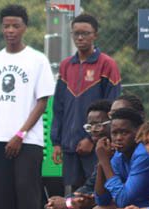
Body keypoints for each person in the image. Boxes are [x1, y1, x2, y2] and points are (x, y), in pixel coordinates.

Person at [0, 4, 54, 209]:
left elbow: (42, 102)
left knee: (27, 198)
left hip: (28, 141)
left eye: (15, 26)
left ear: (25, 27)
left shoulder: (37, 60)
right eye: (6, 26)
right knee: (2, 200)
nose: (10, 30)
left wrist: (20, 134)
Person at [51, 13, 121, 189]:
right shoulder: (66, 65)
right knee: (73, 194)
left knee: (97, 191)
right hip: (69, 146)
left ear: (95, 35)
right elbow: (58, 106)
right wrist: (57, 142)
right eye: (76, 33)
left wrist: (92, 138)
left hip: (97, 146)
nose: (80, 37)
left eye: (85, 33)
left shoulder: (107, 64)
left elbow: (112, 107)